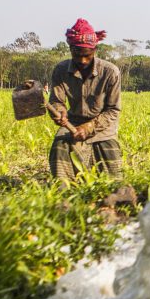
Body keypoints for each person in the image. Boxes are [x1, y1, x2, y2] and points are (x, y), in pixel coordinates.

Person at [48, 18, 122, 181]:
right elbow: (56, 101)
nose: (82, 61)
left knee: (112, 176)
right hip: (72, 122)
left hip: (103, 126)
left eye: (87, 56)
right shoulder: (60, 70)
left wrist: (89, 127)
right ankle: (64, 192)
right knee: (59, 147)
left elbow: (113, 110)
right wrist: (59, 112)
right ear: (70, 49)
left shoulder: (110, 72)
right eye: (77, 55)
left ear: (95, 50)